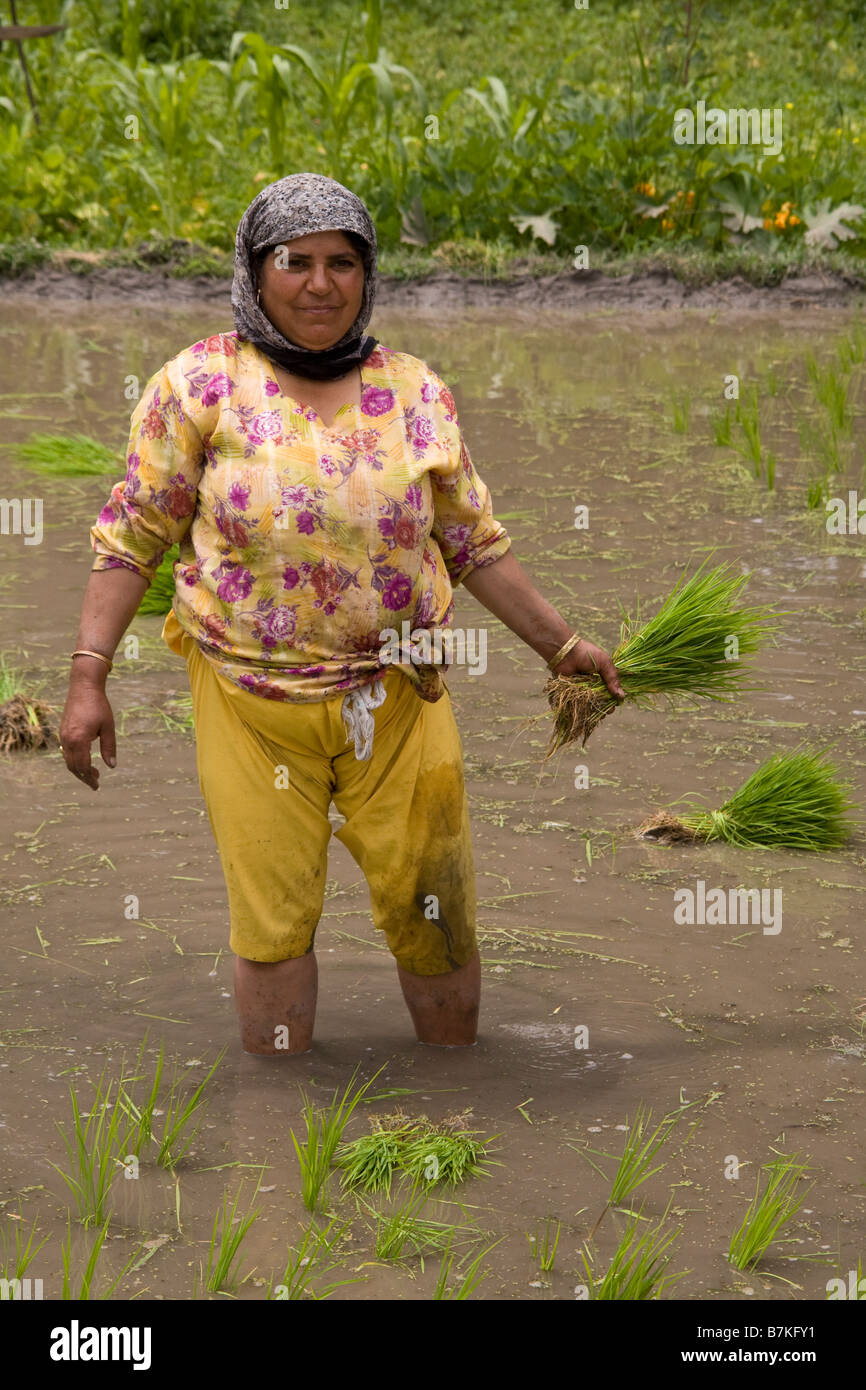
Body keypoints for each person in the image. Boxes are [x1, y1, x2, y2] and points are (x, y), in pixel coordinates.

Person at [59, 172, 624, 1056]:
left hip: (398, 697)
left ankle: (451, 1096)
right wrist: (88, 676)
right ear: (257, 269)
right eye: (296, 262)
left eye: (342, 263)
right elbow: (132, 536)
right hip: (251, 702)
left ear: (367, 276)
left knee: (434, 910)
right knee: (272, 920)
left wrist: (564, 646)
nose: (320, 283)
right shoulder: (198, 385)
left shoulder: (413, 391)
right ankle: (281, 1138)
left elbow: (473, 541)